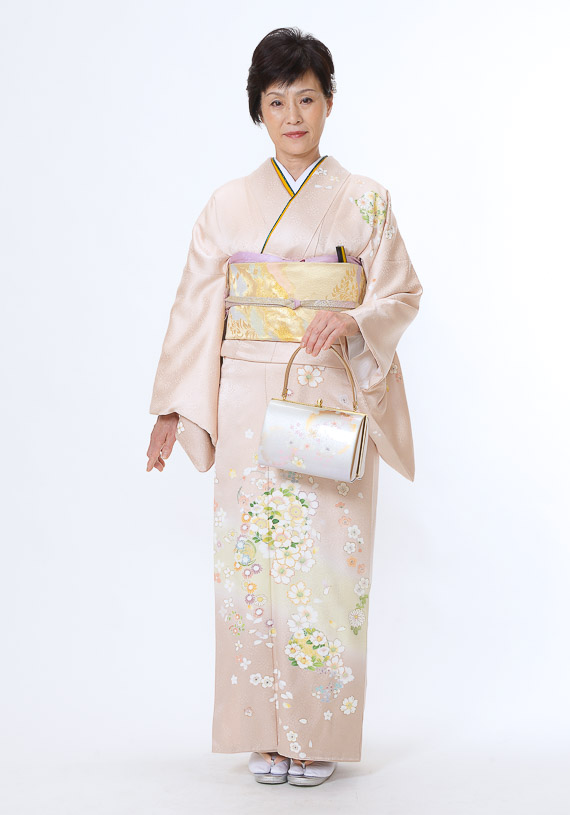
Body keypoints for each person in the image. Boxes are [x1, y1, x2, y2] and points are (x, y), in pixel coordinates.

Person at [146, 26, 423, 787]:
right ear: (258, 110)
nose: (293, 116)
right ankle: (262, 731)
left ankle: (315, 732)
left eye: (306, 98)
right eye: (276, 101)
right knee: (253, 560)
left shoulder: (367, 200)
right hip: (245, 395)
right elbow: (196, 307)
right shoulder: (227, 204)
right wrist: (172, 407)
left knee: (325, 563)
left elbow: (402, 292)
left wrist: (355, 320)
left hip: (328, 392)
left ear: (329, 103)